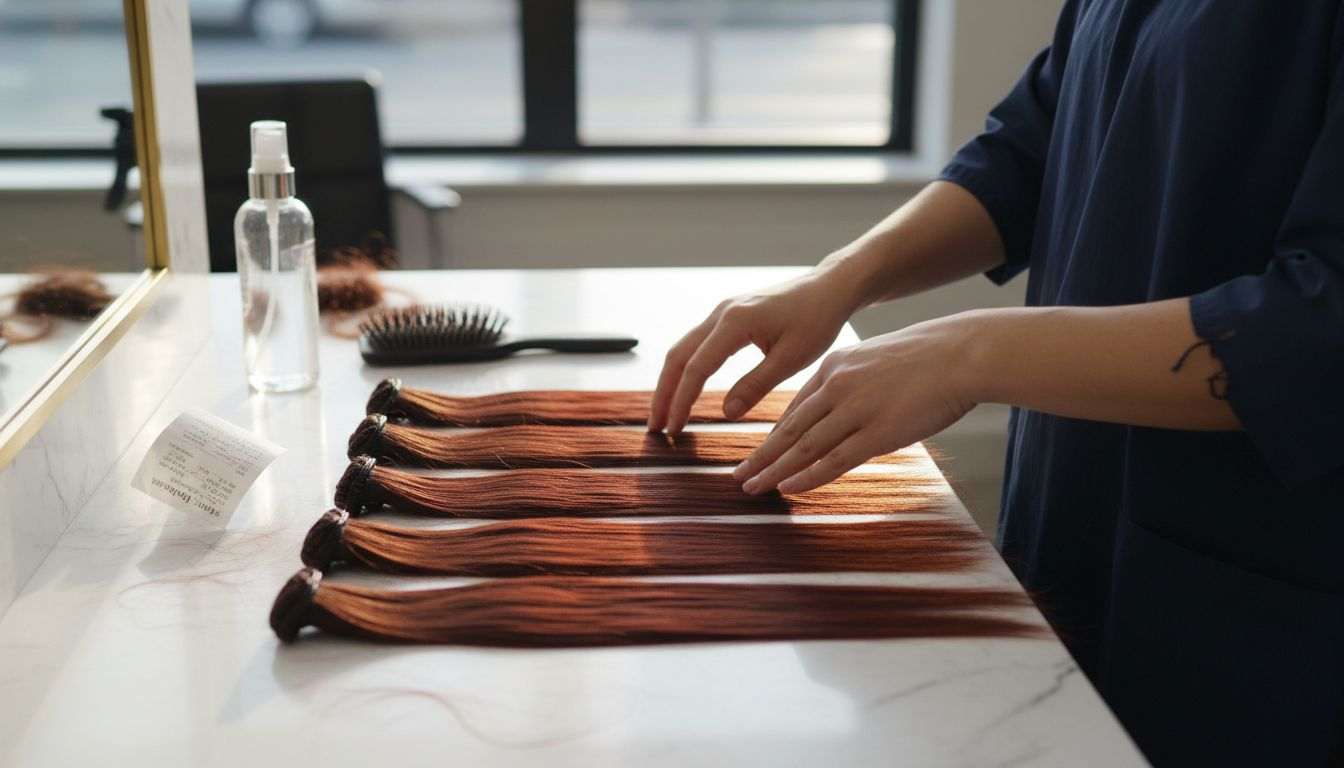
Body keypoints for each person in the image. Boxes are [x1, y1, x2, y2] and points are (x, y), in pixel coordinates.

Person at [647, 2, 1344, 765]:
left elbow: (1319, 328)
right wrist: (841, 279)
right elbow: (1032, 147)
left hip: (1258, 595)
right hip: (1074, 511)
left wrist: (971, 351)